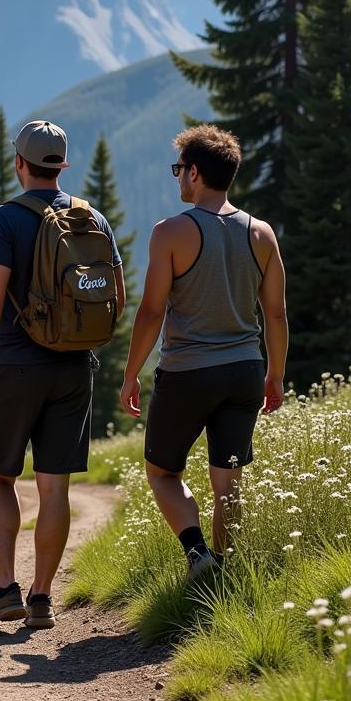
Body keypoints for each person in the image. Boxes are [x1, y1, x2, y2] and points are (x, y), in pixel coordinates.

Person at [0, 120, 125, 629]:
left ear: (20, 164)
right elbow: (115, 291)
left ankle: (4, 587)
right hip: (74, 366)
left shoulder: (5, 219)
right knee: (55, 488)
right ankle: (42, 598)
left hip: (13, 366)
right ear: (62, 166)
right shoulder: (90, 217)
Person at [121, 125, 286, 580]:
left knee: (162, 473)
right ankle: (226, 576)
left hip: (187, 372)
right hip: (245, 371)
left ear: (194, 173)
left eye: (179, 170)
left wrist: (131, 373)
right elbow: (276, 315)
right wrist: (275, 374)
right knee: (227, 484)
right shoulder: (262, 234)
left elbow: (152, 312)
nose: (177, 178)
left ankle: (198, 556)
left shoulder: (171, 232)